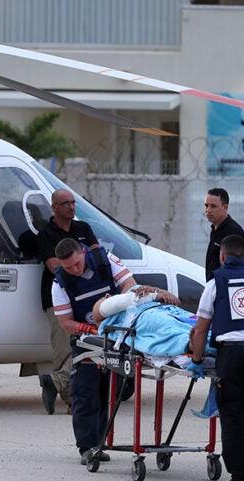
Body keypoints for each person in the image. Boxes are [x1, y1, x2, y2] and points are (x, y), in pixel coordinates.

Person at [51, 238, 178, 465]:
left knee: (110, 392)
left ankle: (100, 442)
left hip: (117, 333)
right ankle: (88, 447)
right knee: (85, 393)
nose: (75, 270)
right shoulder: (60, 283)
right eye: (69, 267)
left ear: (83, 252)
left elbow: (131, 286)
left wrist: (114, 307)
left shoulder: (105, 259)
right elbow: (65, 323)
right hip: (88, 340)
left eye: (77, 264)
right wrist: (93, 328)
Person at [189, 234, 244, 481]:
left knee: (233, 415)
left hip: (233, 354)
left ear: (222, 256)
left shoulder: (215, 284)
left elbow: (202, 328)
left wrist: (196, 359)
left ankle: (240, 479)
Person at [35, 189, 99, 415]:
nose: (71, 207)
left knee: (92, 344)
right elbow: (55, 267)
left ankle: (54, 382)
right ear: (54, 207)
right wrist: (81, 263)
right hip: (58, 297)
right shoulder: (46, 234)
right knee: (63, 349)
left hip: (88, 296)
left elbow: (98, 258)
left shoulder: (83, 229)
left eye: (73, 203)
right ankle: (72, 401)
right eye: (65, 204)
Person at [204, 188, 244, 281]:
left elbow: (235, 269)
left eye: (213, 206)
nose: (208, 210)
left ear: (225, 207)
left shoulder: (233, 231)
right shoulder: (215, 230)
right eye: (206, 205)